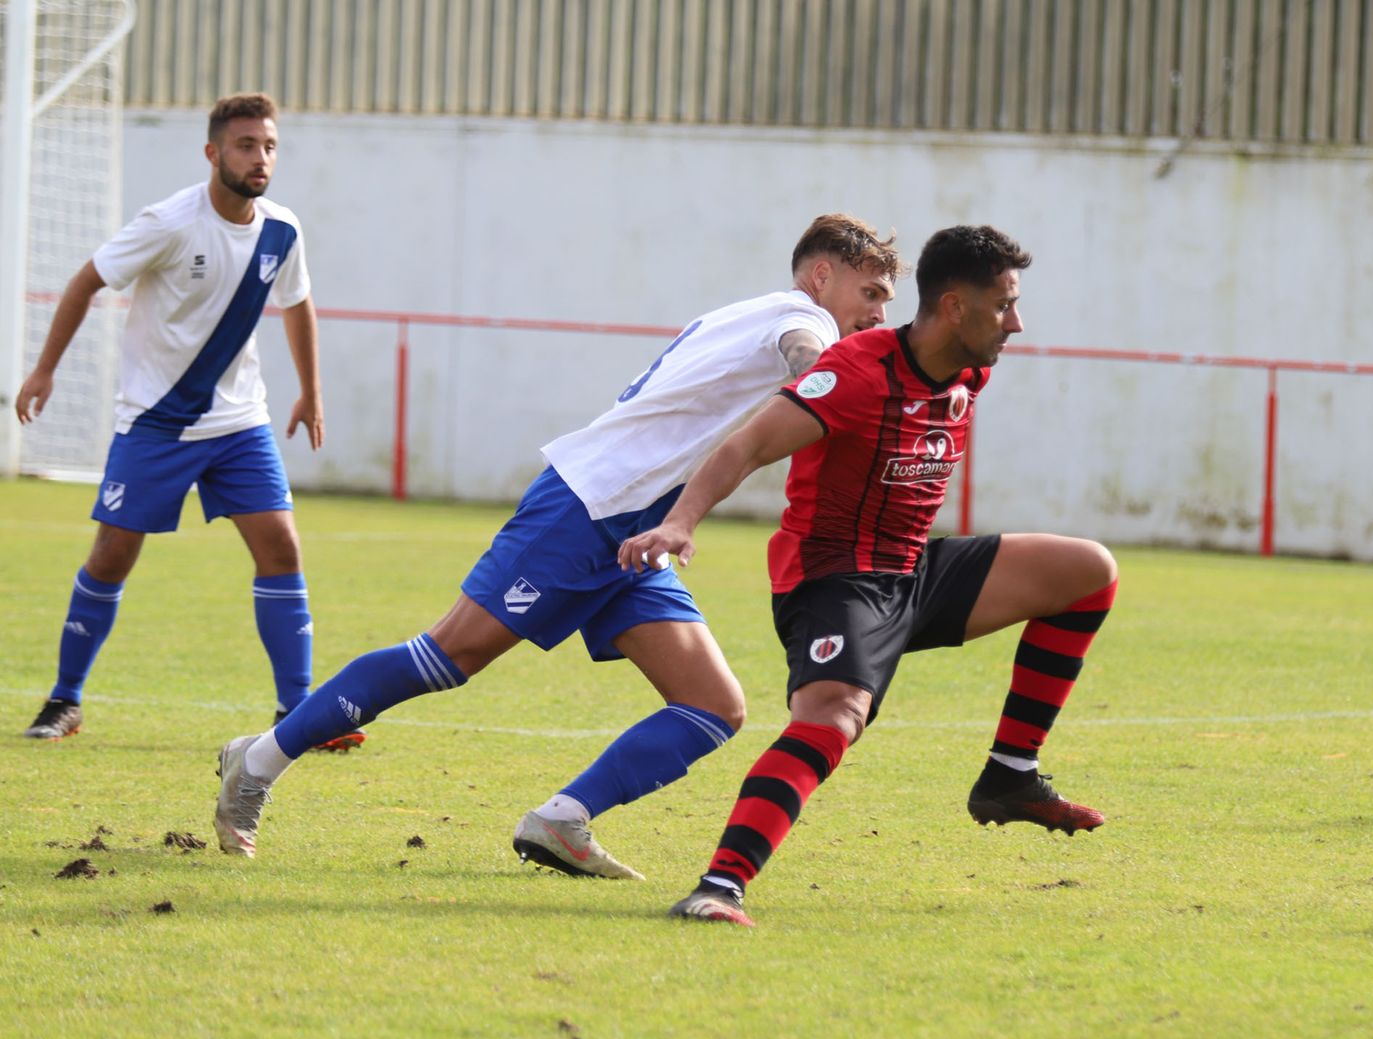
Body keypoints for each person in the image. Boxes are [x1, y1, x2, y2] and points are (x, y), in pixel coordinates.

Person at [212, 213, 904, 873]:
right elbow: (805, 355)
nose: (878, 312)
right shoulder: (802, 319)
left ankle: (561, 819)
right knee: (450, 655)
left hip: (637, 530)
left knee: (713, 706)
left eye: (886, 299)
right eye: (870, 292)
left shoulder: (751, 313)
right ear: (821, 276)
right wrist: (840, 383)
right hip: (586, 508)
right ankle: (259, 760)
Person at [617, 225, 1118, 927]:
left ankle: (1010, 774)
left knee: (1087, 571)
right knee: (834, 719)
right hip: (835, 576)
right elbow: (749, 444)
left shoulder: (969, 369)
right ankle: (720, 885)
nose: (1016, 323)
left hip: (913, 567)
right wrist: (680, 522)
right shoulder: (856, 372)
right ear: (954, 308)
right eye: (1004, 305)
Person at [12, 93, 349, 748]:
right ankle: (65, 699)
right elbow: (86, 281)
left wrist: (311, 391)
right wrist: (45, 369)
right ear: (213, 152)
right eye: (246, 145)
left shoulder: (282, 229)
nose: (260, 158)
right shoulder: (168, 223)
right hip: (156, 423)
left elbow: (298, 303)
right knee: (113, 555)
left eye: (270, 146)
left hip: (240, 424)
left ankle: (298, 712)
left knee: (281, 546)